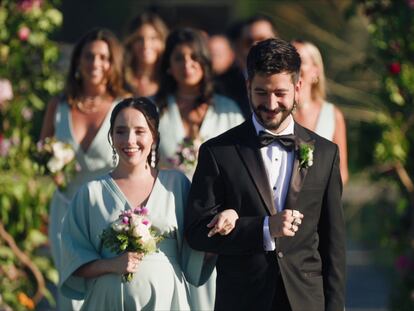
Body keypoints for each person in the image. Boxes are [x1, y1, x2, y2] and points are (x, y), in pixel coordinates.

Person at [185, 38, 346, 311]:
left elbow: (333, 244)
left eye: (280, 93)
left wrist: (335, 306)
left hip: (306, 300)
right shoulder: (218, 152)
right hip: (242, 299)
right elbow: (198, 232)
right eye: (261, 92)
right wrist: (263, 228)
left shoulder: (326, 152)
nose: (271, 104)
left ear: (298, 88)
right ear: (248, 86)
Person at [59, 97, 215, 310]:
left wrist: (219, 234)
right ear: (111, 136)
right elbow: (72, 260)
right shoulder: (91, 193)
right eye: (120, 131)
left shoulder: (176, 185)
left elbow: (194, 250)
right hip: (107, 301)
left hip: (166, 299)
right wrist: (112, 265)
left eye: (140, 131)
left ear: (154, 137)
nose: (129, 140)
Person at [39, 28, 127, 310]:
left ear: (113, 63)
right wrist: (50, 162)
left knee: (108, 287)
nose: (95, 63)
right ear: (78, 61)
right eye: (89, 56)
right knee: (70, 287)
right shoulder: (59, 105)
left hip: (109, 209)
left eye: (104, 57)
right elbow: (41, 153)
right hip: (65, 207)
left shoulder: (124, 105)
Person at [156, 27, 245, 179]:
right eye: (179, 58)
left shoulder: (228, 110)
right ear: (168, 66)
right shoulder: (154, 109)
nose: (187, 64)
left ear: (205, 60)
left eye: (194, 57)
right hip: (167, 198)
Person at [292, 39, 349, 184]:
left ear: (315, 70)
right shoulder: (276, 112)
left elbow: (342, 172)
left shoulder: (332, 115)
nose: (294, 67)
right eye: (290, 60)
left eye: (301, 61)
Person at [123, 12, 168, 97]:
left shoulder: (171, 80)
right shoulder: (120, 80)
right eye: (139, 39)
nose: (146, 45)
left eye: (153, 38)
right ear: (130, 43)